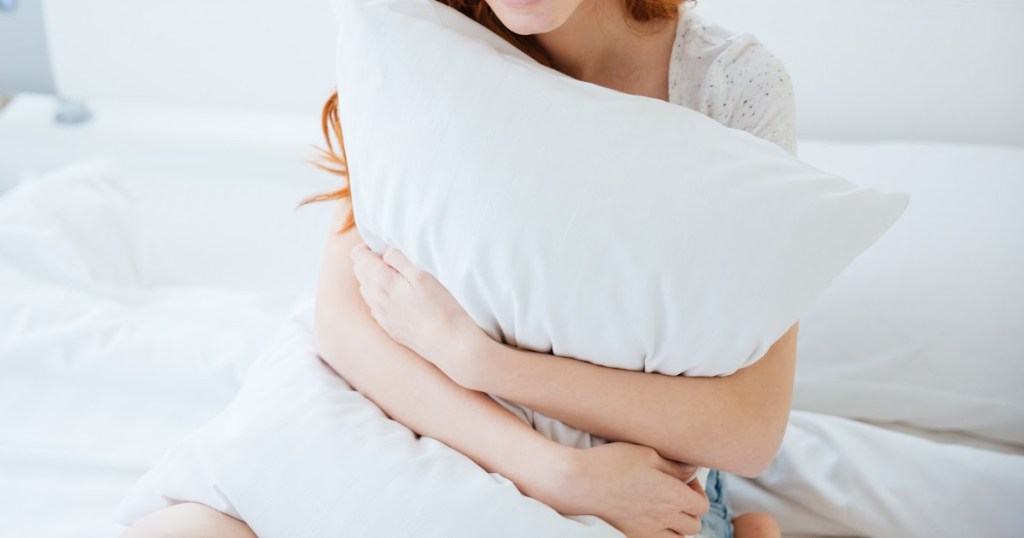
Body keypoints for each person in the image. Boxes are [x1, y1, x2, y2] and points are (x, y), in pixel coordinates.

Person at [122, 0, 798, 536]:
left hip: (618, 474)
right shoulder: (417, 30)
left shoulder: (728, 87)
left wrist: (486, 363)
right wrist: (555, 473)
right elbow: (342, 316)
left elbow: (751, 430)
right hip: (411, 414)